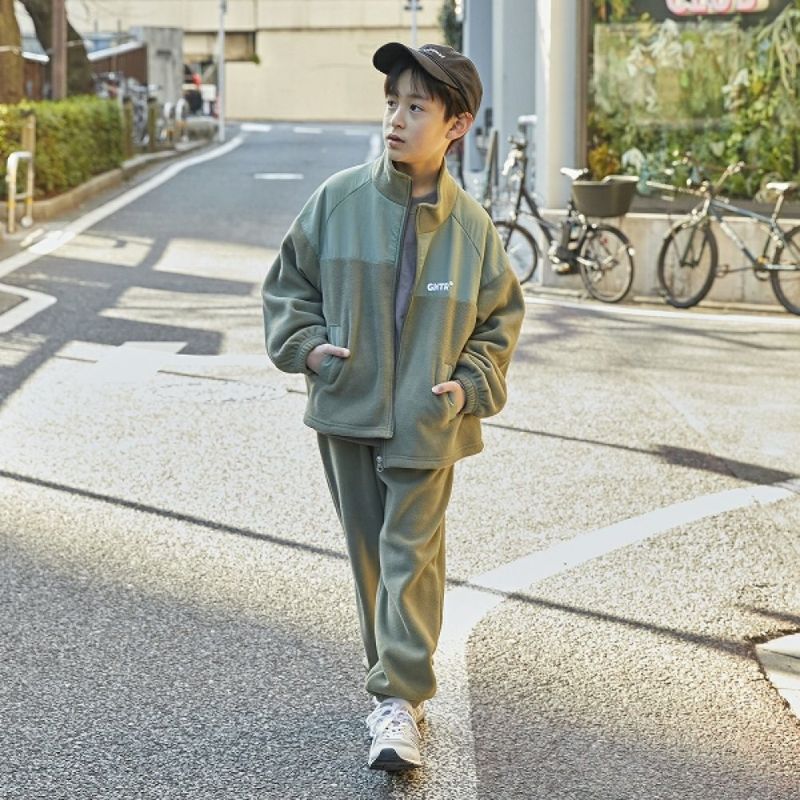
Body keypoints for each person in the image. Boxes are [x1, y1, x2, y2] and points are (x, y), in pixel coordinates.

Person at [262, 41, 525, 771]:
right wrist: (309, 349)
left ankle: (398, 699)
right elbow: (288, 284)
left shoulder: (472, 228)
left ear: (457, 125)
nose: (396, 120)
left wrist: (468, 384)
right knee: (371, 555)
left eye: (416, 107)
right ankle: (394, 692)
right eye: (391, 104)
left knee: (410, 553)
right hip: (347, 405)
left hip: (429, 416)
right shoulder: (338, 200)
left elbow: (501, 319)